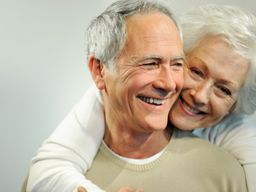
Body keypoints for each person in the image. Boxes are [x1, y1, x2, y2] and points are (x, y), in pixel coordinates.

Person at [26, 1, 256, 192]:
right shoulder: (98, 100)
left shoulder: (232, 159)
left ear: (235, 105)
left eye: (224, 90)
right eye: (195, 71)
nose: (200, 96)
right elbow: (50, 166)